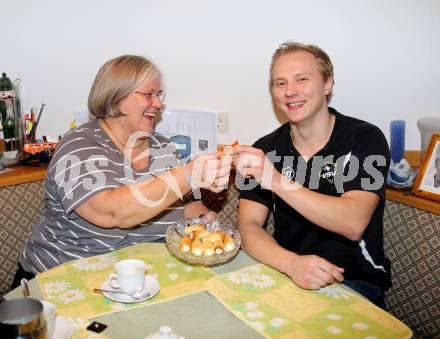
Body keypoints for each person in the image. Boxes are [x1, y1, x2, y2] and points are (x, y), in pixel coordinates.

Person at [13, 55, 231, 287]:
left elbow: (186, 203)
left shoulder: (163, 147)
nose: (158, 104)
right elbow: (110, 213)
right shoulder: (78, 145)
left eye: (159, 95)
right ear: (117, 98)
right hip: (64, 279)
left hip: (139, 279)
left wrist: (201, 219)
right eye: (148, 94)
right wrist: (188, 174)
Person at [234, 42, 391, 307]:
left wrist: (274, 179)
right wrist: (291, 264)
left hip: (354, 283)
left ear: (327, 85)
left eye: (302, 79)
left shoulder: (365, 138)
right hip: (287, 275)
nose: (290, 92)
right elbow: (248, 227)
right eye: (280, 83)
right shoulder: (265, 148)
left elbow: (353, 223)